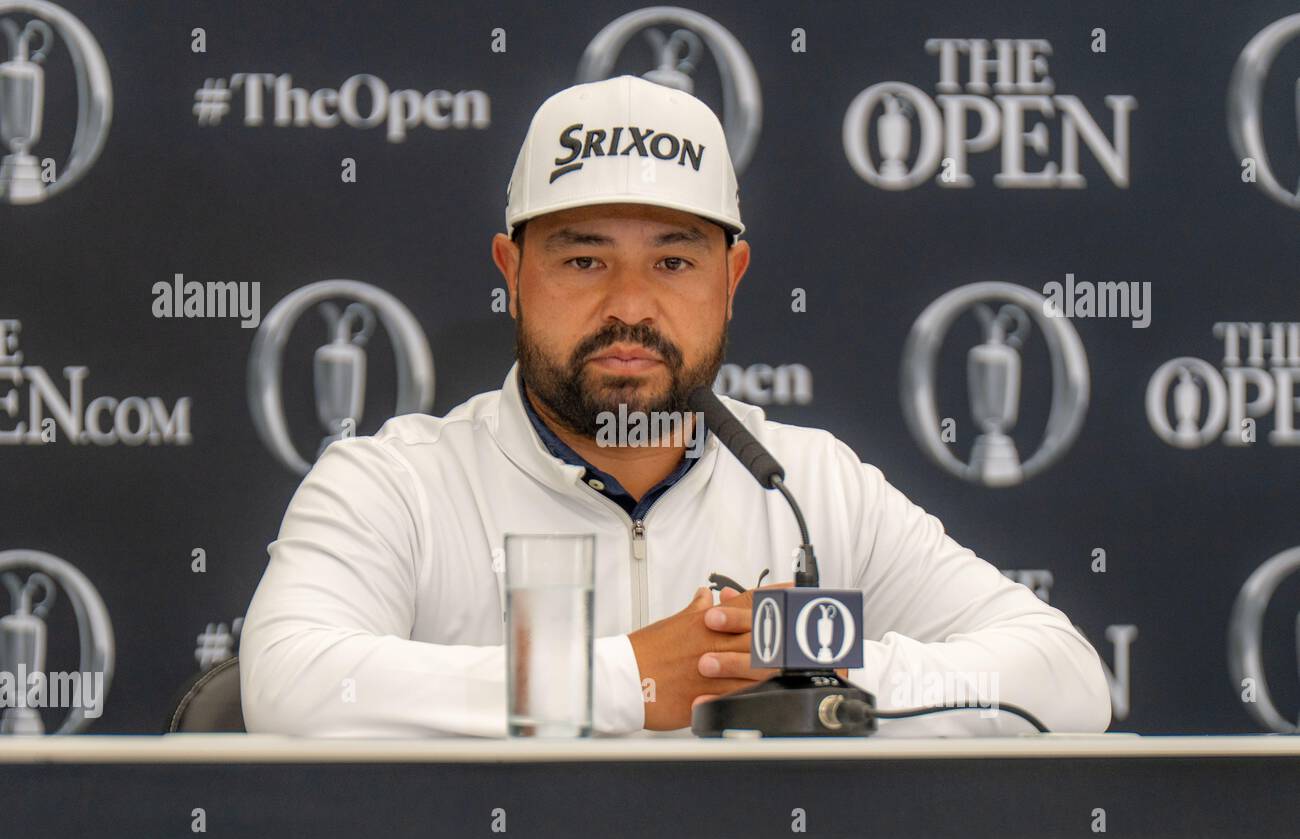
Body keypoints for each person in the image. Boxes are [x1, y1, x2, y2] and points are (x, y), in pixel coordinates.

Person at [239, 74, 1112, 738]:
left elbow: (1069, 683)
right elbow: (289, 685)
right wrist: (637, 679)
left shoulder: (810, 484)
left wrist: (814, 667)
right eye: (584, 260)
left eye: (674, 261)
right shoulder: (394, 484)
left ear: (730, 281)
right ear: (511, 273)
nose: (630, 304)